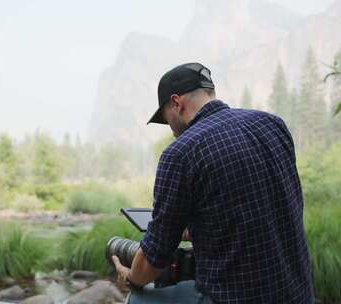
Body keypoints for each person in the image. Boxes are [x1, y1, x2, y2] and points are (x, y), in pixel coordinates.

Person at [112, 63, 314, 303]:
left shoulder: (180, 153)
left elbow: (155, 257)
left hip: (234, 298)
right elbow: (273, 204)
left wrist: (131, 278)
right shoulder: (272, 124)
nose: (169, 126)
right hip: (297, 293)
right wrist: (200, 228)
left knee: (138, 300)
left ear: (176, 103)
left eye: (164, 117)